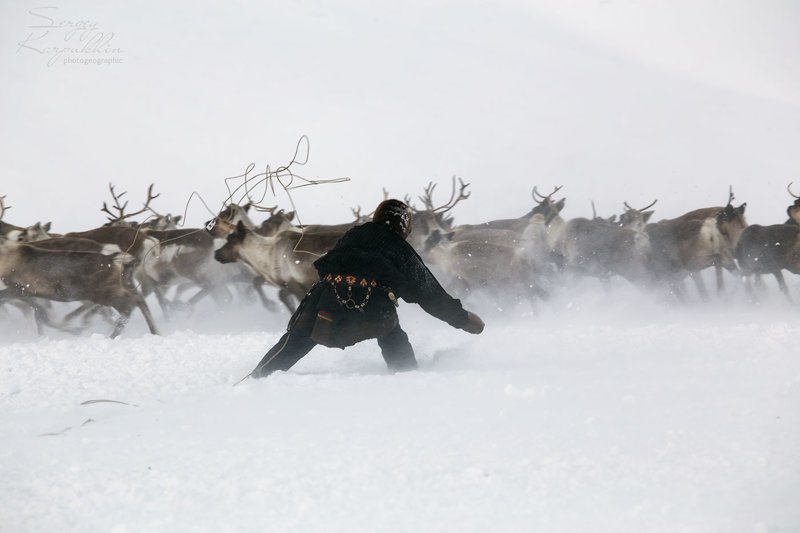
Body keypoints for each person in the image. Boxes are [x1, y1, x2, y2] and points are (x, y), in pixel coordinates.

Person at [249, 199, 485, 378]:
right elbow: (427, 292)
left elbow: (328, 265)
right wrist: (462, 319)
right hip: (371, 311)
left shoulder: (355, 234)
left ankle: (260, 376)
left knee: (297, 338)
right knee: (393, 336)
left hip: (325, 304)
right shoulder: (399, 248)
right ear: (403, 226)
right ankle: (408, 379)